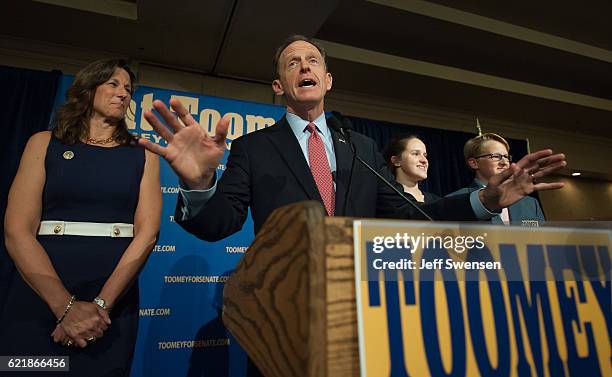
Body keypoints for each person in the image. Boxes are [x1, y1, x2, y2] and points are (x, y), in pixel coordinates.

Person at [138, 34, 564, 240]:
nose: (303, 67)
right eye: (292, 64)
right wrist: (198, 184)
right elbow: (220, 225)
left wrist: (487, 199)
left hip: (363, 299)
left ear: (327, 80)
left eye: (312, 61)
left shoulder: (359, 147)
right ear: (279, 85)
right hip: (285, 303)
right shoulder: (255, 148)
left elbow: (410, 216)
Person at [1, 59, 161, 376]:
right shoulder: (43, 143)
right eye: (113, 84)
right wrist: (65, 307)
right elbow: (17, 230)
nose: (123, 93)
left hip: (112, 302)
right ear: (87, 90)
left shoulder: (144, 154)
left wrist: (100, 308)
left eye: (128, 88)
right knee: (27, 369)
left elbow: (148, 234)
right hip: (39, 293)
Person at [446, 132, 545, 226]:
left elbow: (543, 240)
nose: (504, 162)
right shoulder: (454, 201)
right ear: (474, 163)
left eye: (506, 157)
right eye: (496, 156)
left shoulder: (530, 204)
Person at [383, 135, 441, 203]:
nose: (424, 160)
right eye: (416, 154)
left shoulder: (437, 202)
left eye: (425, 155)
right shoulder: (384, 200)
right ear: (396, 161)